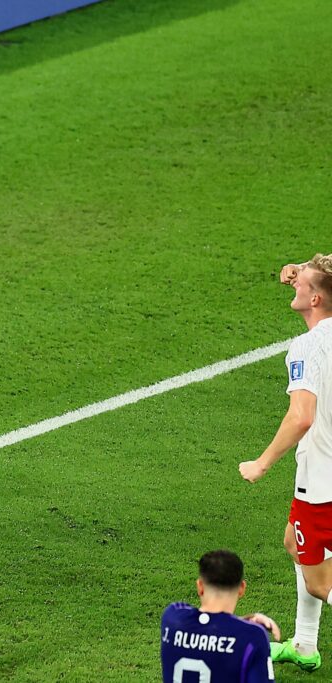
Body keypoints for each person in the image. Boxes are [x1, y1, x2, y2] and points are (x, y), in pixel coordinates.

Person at [241, 254, 332, 671]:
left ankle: (306, 644)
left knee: (319, 581)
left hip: (322, 482)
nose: (293, 283)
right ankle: (306, 645)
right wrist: (306, 272)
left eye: (302, 283)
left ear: (316, 299)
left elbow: (302, 416)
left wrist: (261, 463)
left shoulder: (308, 347)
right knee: (292, 543)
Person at [160, 550, 277, 683]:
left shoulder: (172, 617)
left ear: (200, 586)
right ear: (242, 588)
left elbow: (209, 627)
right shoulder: (253, 636)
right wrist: (249, 623)